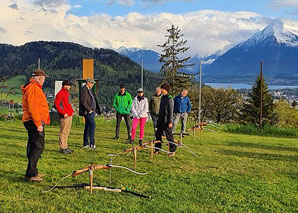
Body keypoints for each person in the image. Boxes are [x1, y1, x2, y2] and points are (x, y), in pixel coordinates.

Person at [22, 70, 50, 182]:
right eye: (43, 78)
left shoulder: (33, 87)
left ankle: (33, 171)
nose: (44, 80)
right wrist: (38, 124)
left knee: (34, 146)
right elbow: (33, 107)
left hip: (32, 120)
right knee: (38, 147)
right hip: (34, 121)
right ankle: (31, 174)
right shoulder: (33, 88)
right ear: (39, 78)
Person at [155, 82, 177, 157]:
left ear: (165, 89)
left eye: (162, 88)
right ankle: (157, 149)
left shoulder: (170, 99)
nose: (161, 90)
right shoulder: (162, 98)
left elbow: (171, 111)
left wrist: (170, 122)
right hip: (160, 119)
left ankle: (172, 150)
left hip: (167, 121)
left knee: (169, 136)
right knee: (158, 134)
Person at [79, 78, 101, 149]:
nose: (92, 84)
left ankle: (86, 143)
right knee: (92, 126)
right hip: (88, 112)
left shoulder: (90, 90)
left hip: (92, 111)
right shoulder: (84, 89)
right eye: (91, 83)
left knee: (88, 127)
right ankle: (92, 143)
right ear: (87, 82)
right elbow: (83, 101)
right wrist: (89, 109)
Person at [54, 80, 75, 154]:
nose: (70, 87)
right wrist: (63, 113)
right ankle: (62, 147)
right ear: (65, 85)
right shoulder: (60, 94)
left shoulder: (67, 93)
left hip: (69, 114)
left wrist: (71, 111)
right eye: (69, 85)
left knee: (67, 131)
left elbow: (68, 104)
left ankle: (65, 146)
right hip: (64, 115)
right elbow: (57, 104)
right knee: (63, 131)